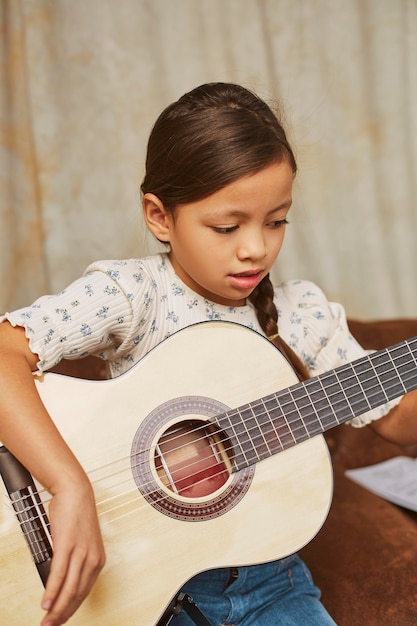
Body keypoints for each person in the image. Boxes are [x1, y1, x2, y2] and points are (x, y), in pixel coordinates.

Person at [0, 82, 416, 626]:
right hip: (139, 582)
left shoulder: (301, 316)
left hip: (271, 582)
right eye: (227, 226)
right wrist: (68, 486)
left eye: (277, 220)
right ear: (159, 216)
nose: (256, 247)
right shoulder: (133, 295)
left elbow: (396, 422)